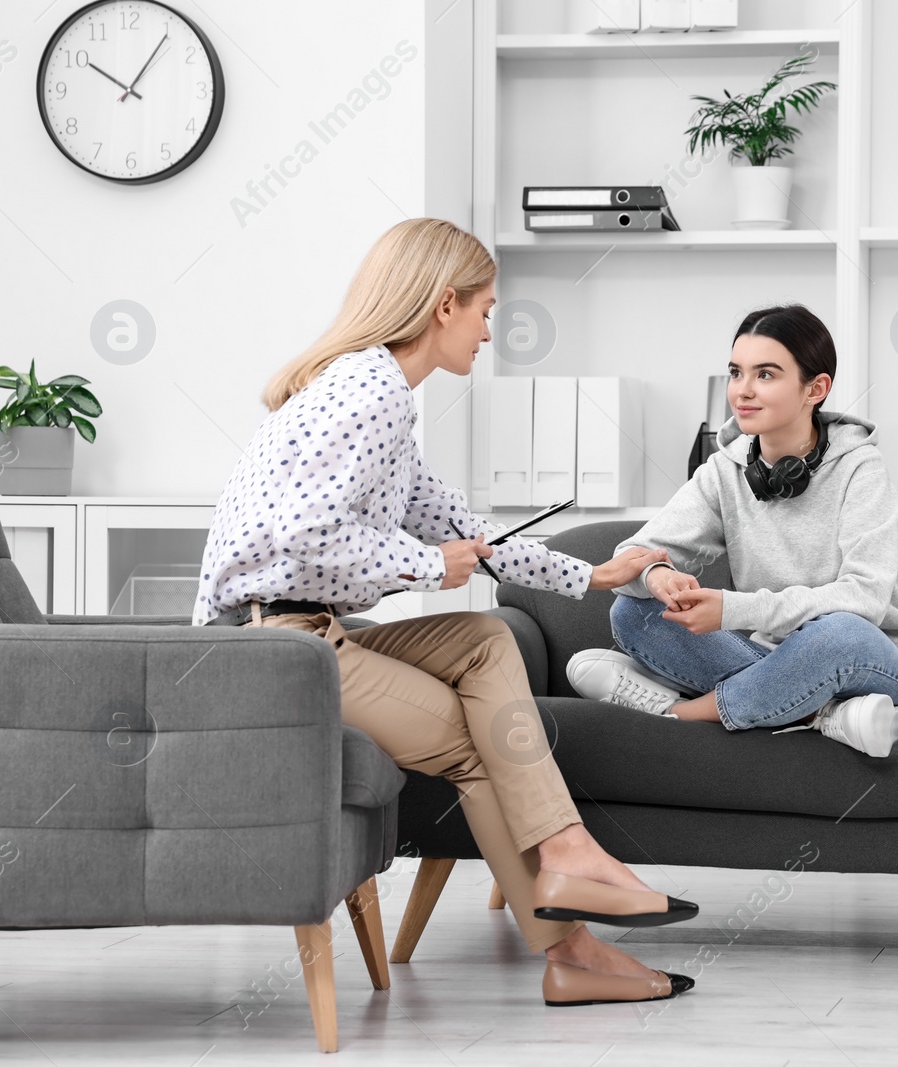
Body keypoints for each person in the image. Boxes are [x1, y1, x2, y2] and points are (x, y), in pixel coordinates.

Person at [193, 217, 697, 1008]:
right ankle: (572, 950)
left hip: (305, 629)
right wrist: (426, 566)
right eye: (487, 309)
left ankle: (567, 856)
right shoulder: (371, 390)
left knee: (485, 638)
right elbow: (304, 536)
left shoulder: (383, 395)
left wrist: (597, 573)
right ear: (443, 305)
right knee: (477, 745)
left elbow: (470, 532)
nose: (490, 331)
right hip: (270, 646)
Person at [566, 304, 898, 757]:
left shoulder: (862, 468)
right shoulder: (726, 470)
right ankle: (818, 716)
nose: (743, 391)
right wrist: (657, 577)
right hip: (774, 667)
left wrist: (734, 610)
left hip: (881, 676)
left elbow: (866, 599)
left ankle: (680, 713)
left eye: (765, 375)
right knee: (633, 611)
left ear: (815, 389)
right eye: (736, 373)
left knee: (838, 632)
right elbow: (636, 553)